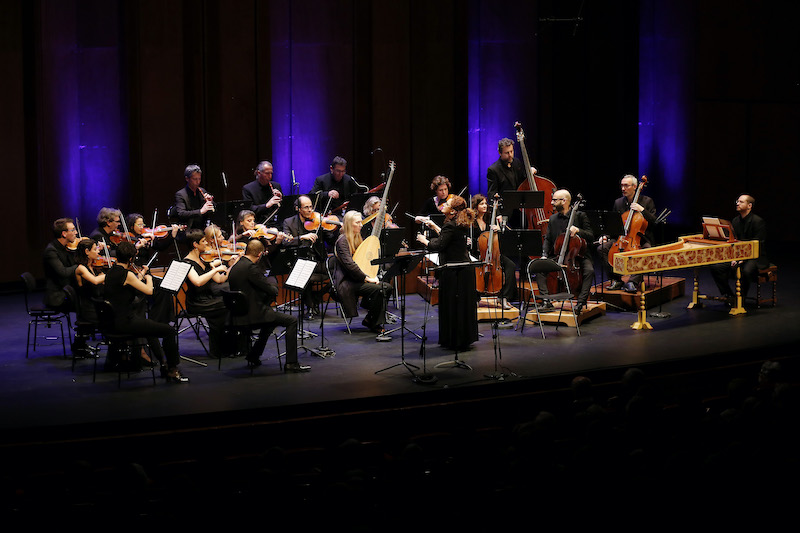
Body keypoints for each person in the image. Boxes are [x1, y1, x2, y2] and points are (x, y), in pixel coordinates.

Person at [102, 241, 188, 382]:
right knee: (169, 331)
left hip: (112, 321)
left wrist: (140, 275)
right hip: (125, 322)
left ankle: (163, 365)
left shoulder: (111, 271)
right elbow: (148, 290)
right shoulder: (126, 274)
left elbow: (130, 283)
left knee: (151, 329)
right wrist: (148, 278)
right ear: (131, 259)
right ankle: (173, 369)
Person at [227, 239, 310, 372]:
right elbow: (272, 290)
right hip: (252, 315)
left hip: (237, 315)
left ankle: (254, 355)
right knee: (292, 321)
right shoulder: (251, 269)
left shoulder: (237, 266)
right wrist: (273, 282)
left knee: (270, 322)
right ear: (260, 254)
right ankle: (291, 363)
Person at [416, 195, 479, 351]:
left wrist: (424, 240)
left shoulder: (451, 225)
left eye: (447, 204)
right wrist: (435, 227)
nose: (443, 205)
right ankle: (463, 338)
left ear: (452, 211)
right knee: (462, 306)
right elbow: (448, 237)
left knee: (453, 305)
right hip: (463, 269)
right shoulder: (458, 223)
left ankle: (454, 340)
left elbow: (440, 244)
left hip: (454, 271)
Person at [333, 210, 393, 339]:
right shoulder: (342, 241)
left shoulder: (357, 237)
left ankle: (370, 318)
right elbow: (350, 265)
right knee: (380, 289)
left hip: (357, 279)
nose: (361, 225)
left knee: (387, 287)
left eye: (361, 221)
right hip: (347, 282)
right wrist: (367, 278)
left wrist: (373, 275)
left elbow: (364, 261)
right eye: (358, 222)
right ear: (349, 224)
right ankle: (375, 323)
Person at [536, 189, 594, 315]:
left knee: (589, 271)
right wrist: (544, 255)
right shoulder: (552, 219)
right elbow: (548, 239)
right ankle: (546, 302)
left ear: (564, 201)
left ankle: (580, 302)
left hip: (579, 255)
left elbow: (591, 236)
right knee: (539, 269)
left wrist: (578, 230)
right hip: (558, 255)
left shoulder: (580, 216)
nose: (551, 203)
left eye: (554, 200)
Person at [597, 174, 657, 293]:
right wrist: (606, 236)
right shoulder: (618, 203)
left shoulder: (647, 201)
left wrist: (642, 210)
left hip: (641, 239)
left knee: (645, 251)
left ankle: (632, 282)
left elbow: (654, 222)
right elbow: (613, 225)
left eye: (626, 186)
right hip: (621, 238)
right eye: (622, 186)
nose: (623, 188)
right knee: (602, 248)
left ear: (635, 187)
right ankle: (616, 280)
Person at [282, 195, 338, 315]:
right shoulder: (289, 222)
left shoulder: (317, 221)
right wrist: (301, 237)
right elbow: (285, 242)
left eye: (311, 207)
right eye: (306, 207)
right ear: (298, 208)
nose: (310, 210)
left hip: (318, 260)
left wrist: (334, 229)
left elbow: (331, 240)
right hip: (300, 261)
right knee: (304, 275)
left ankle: (316, 297)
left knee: (340, 272)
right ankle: (311, 306)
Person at [183, 229, 234, 360]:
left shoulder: (204, 259)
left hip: (209, 298)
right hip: (197, 302)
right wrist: (216, 268)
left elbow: (220, 279)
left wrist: (231, 266)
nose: (206, 244)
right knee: (226, 304)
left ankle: (223, 348)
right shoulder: (186, 263)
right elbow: (198, 282)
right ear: (195, 244)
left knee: (230, 301)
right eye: (203, 241)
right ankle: (222, 348)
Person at [710, 194, 769, 303]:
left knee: (746, 271)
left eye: (741, 202)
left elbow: (758, 244)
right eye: (737, 201)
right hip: (738, 255)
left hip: (755, 256)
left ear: (749, 205)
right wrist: (734, 258)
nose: (737, 203)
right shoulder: (735, 221)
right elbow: (734, 241)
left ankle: (741, 298)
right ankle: (729, 294)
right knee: (716, 267)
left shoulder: (758, 221)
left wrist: (743, 259)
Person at [470, 194, 517, 309]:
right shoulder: (471, 222)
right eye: (482, 204)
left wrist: (499, 229)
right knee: (472, 269)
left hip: (494, 254)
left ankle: (503, 297)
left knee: (511, 265)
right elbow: (466, 236)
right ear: (476, 206)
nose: (485, 206)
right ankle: (475, 297)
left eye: (486, 203)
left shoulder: (491, 218)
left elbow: (504, 237)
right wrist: (467, 240)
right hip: (478, 253)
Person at [71, 238, 106, 357]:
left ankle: (80, 345)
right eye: (95, 249)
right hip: (88, 308)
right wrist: (109, 275)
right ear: (87, 251)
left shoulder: (92, 266)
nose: (98, 252)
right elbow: (95, 281)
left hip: (94, 303)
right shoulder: (81, 268)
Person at [42, 218, 80, 310]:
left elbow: (72, 264)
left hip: (67, 289)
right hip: (58, 296)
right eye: (73, 230)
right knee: (86, 300)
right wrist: (80, 267)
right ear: (64, 233)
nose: (76, 233)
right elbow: (63, 272)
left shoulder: (66, 247)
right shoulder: (51, 251)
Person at [174, 164, 215, 230]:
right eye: (195, 179)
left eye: (199, 179)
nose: (198, 182)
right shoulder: (180, 194)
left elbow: (212, 212)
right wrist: (200, 211)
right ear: (187, 179)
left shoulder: (202, 191)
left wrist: (210, 201)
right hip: (188, 228)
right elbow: (181, 214)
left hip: (203, 227)